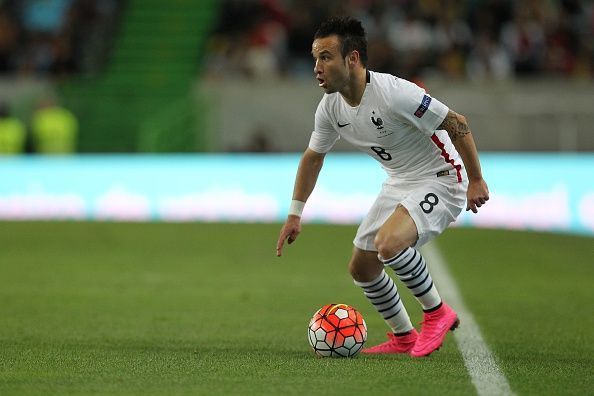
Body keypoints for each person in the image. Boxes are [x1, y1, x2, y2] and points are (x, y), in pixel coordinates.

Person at [275, 16, 489, 357]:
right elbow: (313, 157)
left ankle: (437, 313)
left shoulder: (395, 94)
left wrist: (476, 178)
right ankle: (403, 336)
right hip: (400, 182)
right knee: (362, 266)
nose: (317, 67)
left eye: (326, 57)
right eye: (315, 58)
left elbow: (456, 123)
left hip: (442, 178)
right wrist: (295, 213)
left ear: (353, 59)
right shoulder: (330, 108)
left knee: (388, 243)